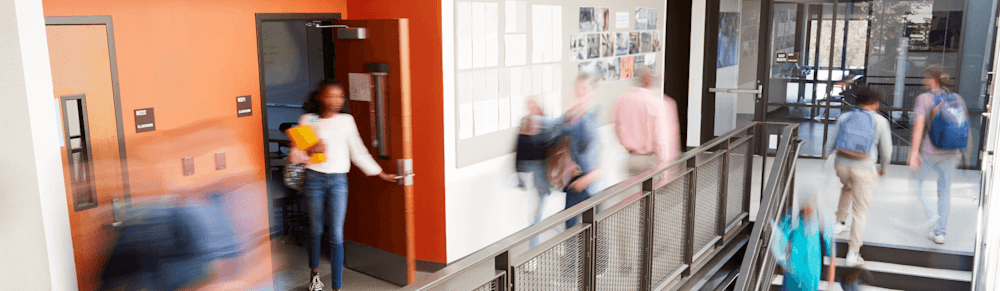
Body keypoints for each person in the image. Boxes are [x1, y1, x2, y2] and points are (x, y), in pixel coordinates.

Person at [290, 80, 398, 291]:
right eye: (330, 96)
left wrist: (380, 173)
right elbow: (295, 155)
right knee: (316, 229)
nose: (336, 101)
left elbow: (358, 150)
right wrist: (309, 151)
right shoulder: (308, 120)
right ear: (320, 97)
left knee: (337, 234)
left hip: (338, 181)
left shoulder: (347, 121)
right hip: (314, 178)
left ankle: (337, 287)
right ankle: (314, 275)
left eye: (340, 96)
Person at [824, 86, 892, 266]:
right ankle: (853, 253)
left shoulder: (845, 117)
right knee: (860, 211)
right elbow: (887, 152)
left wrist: (829, 160)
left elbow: (830, 142)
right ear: (875, 103)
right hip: (863, 168)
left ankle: (839, 222)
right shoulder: (880, 121)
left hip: (842, 165)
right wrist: (883, 168)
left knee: (847, 187)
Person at [908, 65, 971, 245]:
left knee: (917, 185)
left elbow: (919, 126)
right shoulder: (956, 98)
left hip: (930, 151)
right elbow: (962, 124)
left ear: (933, 80)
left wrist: (914, 152)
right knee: (944, 191)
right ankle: (940, 232)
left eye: (927, 77)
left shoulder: (924, 98)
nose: (925, 80)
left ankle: (933, 216)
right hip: (951, 152)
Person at [611, 65, 681, 182]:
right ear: (647, 80)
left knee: (631, 197)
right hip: (650, 161)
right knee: (650, 198)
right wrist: (664, 170)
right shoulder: (657, 103)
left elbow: (616, 128)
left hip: (631, 159)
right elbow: (661, 139)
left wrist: (626, 143)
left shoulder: (622, 100)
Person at [514, 96, 562, 248]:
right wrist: (519, 176)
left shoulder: (546, 125)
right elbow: (519, 149)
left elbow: (553, 147)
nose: (530, 109)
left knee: (537, 213)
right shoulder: (524, 123)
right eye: (528, 105)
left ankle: (535, 249)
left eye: (533, 105)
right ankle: (557, 236)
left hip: (542, 173)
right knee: (537, 213)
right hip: (529, 173)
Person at [558, 74, 603, 229]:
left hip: (590, 184)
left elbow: (601, 152)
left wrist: (592, 176)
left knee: (594, 235)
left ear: (592, 91)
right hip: (575, 182)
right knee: (571, 232)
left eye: (584, 88)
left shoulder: (591, 117)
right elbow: (562, 146)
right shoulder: (570, 118)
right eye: (578, 88)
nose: (580, 92)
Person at [770, 187, 836, 291]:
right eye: (804, 207)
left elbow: (832, 254)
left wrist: (830, 283)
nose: (806, 210)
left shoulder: (822, 220)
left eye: (809, 206)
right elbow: (779, 243)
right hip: (792, 280)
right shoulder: (791, 217)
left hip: (810, 280)